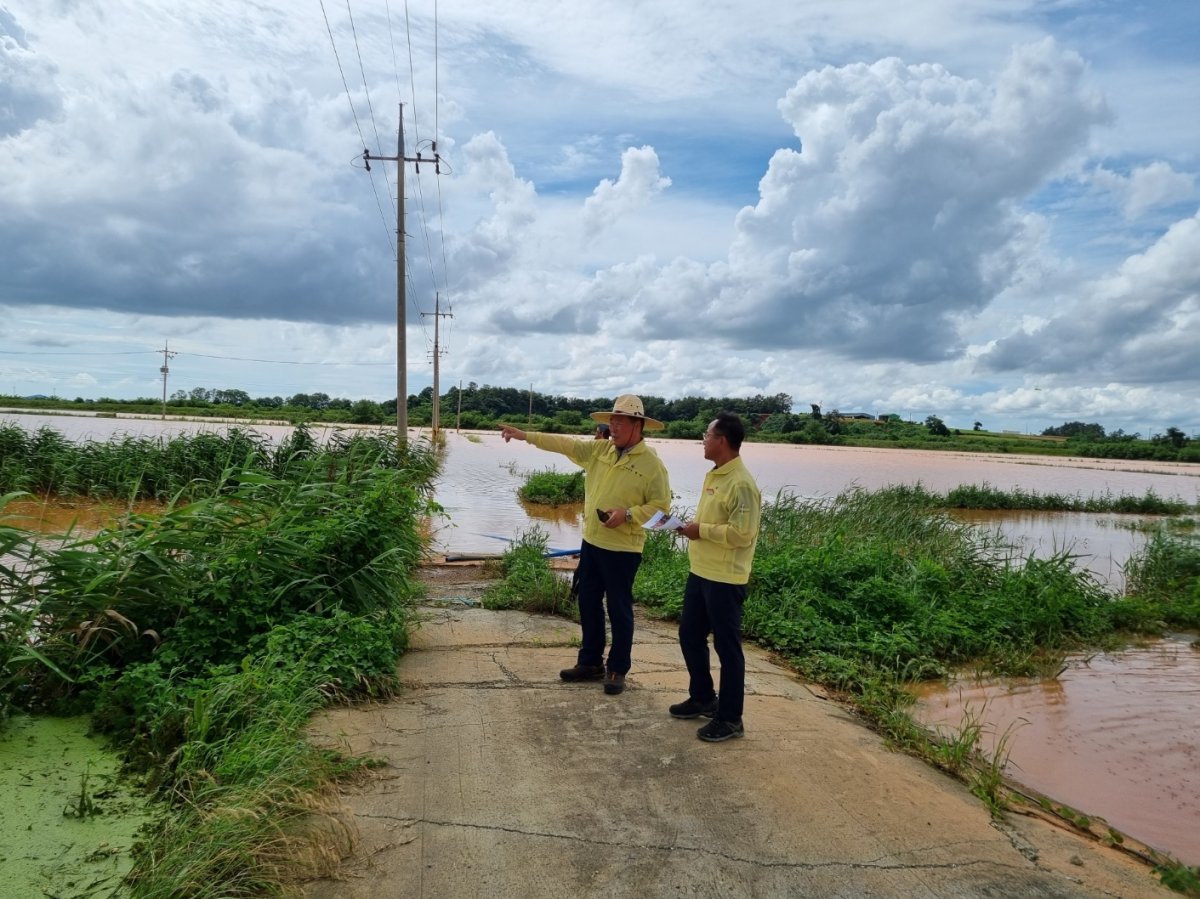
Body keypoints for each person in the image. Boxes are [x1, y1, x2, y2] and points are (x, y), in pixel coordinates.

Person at [500, 395, 670, 695]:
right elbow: (565, 444)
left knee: (619, 609)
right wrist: (525, 436)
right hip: (591, 543)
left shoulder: (652, 465)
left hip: (623, 551)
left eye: (619, 422)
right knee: (588, 602)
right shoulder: (599, 451)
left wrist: (628, 514)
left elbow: (661, 510)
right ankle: (590, 662)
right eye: (611, 421)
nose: (613, 427)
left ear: (637, 425)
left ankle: (617, 668)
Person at [669, 412, 761, 742]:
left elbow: (743, 534)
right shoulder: (715, 475)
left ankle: (731, 718)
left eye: (706, 436)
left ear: (722, 441)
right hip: (701, 572)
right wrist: (687, 527)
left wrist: (700, 530)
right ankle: (703, 698)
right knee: (689, 636)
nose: (703, 441)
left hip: (725, 578)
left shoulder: (742, 483)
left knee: (727, 648)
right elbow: (710, 523)